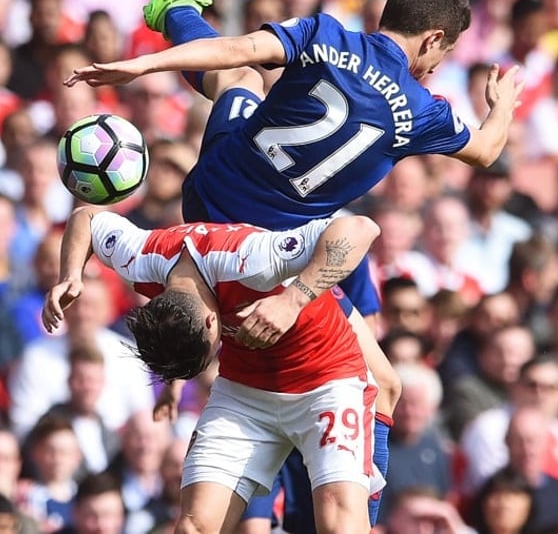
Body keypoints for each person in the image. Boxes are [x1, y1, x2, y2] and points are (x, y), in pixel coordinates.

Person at [67, 0, 523, 527]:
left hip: (218, 188)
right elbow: (486, 150)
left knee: (240, 77)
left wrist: (142, 65)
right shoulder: (420, 107)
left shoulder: (327, 35)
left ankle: (176, 9)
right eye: (445, 52)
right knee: (379, 384)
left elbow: (237, 46)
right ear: (433, 40)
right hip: (277, 245)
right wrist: (504, 102)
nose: (439, 65)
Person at [42, 207, 383, 533]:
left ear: (209, 321)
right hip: (243, 393)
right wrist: (71, 275)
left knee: (340, 526)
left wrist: (293, 299)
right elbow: (87, 217)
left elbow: (361, 228)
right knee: (193, 526)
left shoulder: (254, 260)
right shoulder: (140, 256)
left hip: (325, 383)